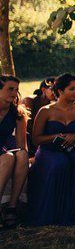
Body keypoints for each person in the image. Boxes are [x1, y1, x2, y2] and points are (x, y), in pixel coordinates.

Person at [25, 73, 75, 226]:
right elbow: (36, 139)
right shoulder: (46, 111)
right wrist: (55, 137)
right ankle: (57, 214)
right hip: (49, 152)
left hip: (73, 150)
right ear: (60, 91)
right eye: (71, 89)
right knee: (60, 163)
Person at [0, 75, 29, 227]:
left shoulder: (18, 113)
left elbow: (21, 145)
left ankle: (11, 207)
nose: (14, 93)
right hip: (3, 154)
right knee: (8, 158)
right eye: (10, 89)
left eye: (16, 89)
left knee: (20, 154)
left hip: (3, 150)